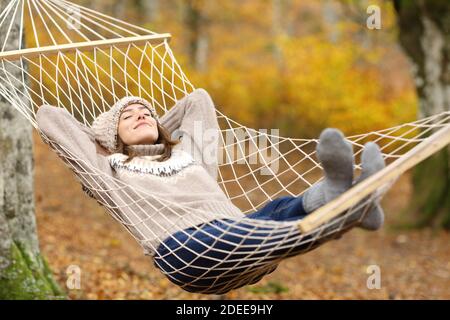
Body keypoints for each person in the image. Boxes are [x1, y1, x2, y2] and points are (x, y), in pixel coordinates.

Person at [36, 89, 385, 294]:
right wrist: (108, 140)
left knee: (277, 208)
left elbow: (197, 100)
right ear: (111, 137)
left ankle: (339, 194)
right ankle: (344, 214)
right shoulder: (107, 171)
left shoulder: (192, 153)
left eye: (147, 112)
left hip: (241, 242)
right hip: (184, 251)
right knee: (245, 229)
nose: (141, 114)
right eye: (129, 117)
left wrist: (154, 128)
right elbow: (50, 117)